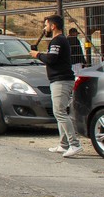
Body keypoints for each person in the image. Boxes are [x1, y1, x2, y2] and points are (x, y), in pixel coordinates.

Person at [30, 15, 83, 158]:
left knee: (60, 112)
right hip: (59, 80)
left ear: (53, 26)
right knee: (60, 112)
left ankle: (75, 144)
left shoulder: (57, 40)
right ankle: (63, 144)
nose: (44, 28)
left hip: (61, 80)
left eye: (46, 25)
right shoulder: (59, 40)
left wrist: (37, 54)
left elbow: (51, 59)